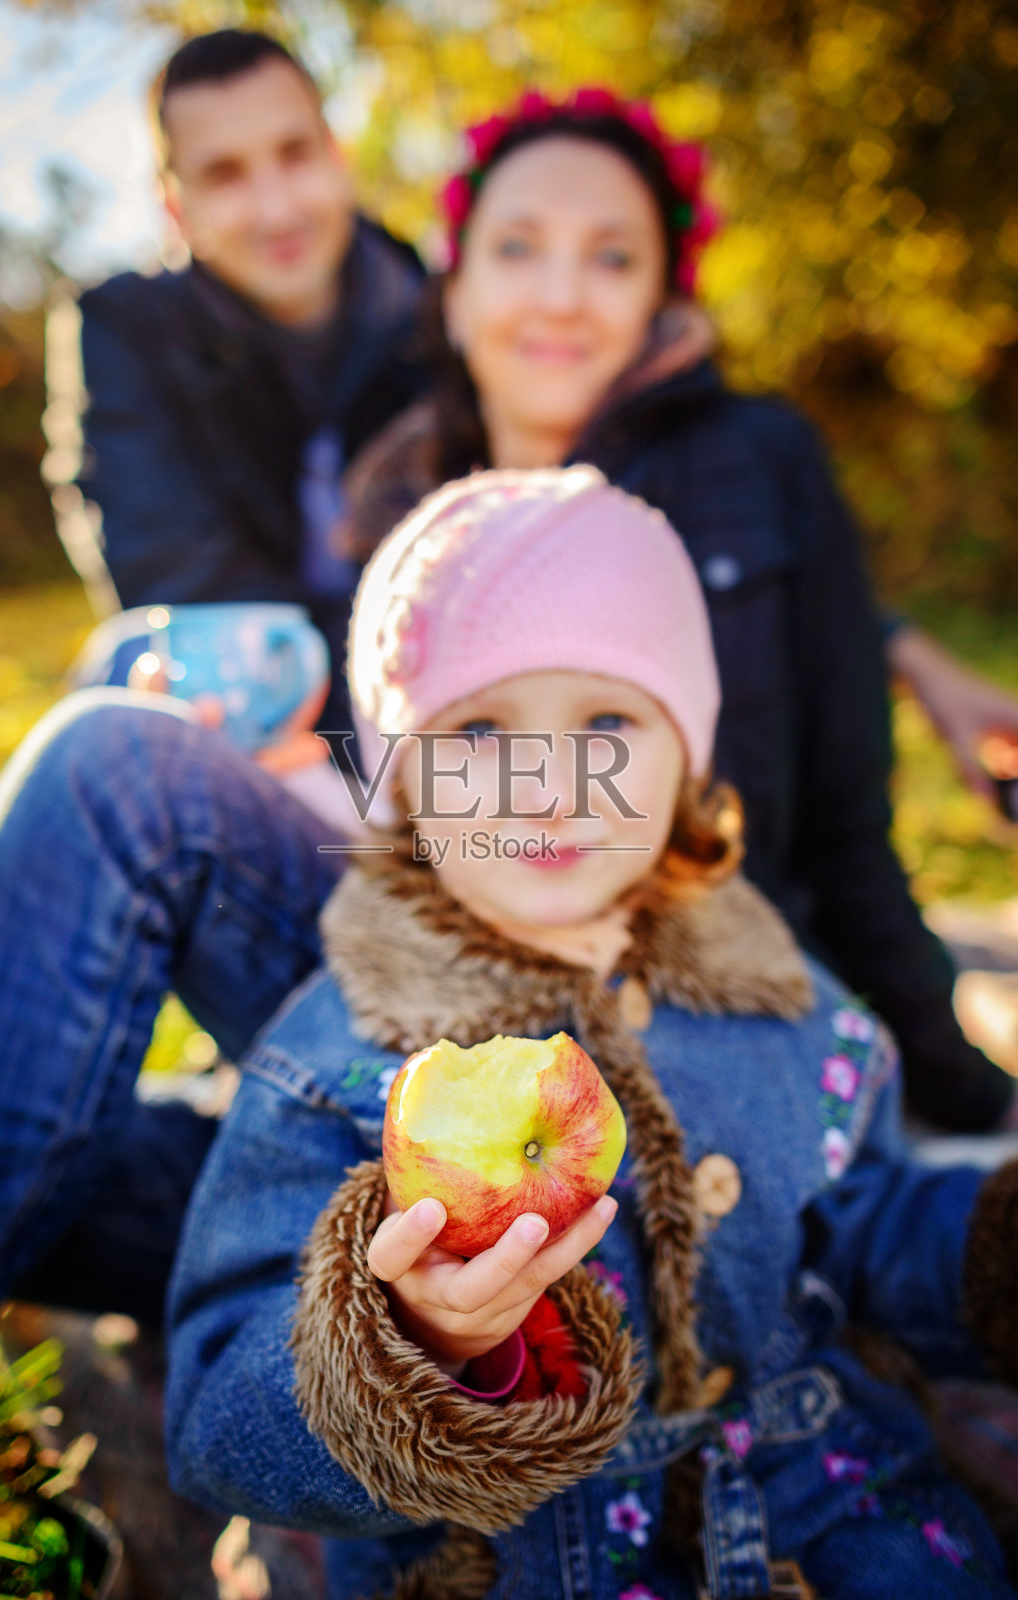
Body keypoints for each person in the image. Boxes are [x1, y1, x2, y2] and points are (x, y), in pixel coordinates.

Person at [164, 467, 1018, 1600]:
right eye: (479, 731)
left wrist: (988, 1251)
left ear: (686, 758)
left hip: (828, 1499)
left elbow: (855, 1224)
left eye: (607, 722)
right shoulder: (342, 1055)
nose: (550, 789)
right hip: (528, 1555)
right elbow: (217, 1421)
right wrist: (417, 1341)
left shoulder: (777, 991)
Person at [337, 85, 1017, 1133]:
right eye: (518, 247)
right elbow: (378, 817)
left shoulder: (758, 461)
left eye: (612, 257)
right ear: (457, 290)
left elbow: (845, 827)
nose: (562, 295)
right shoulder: (395, 508)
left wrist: (960, 1096)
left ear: (662, 294)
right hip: (456, 1040)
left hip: (721, 1028)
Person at [46, 27, 427, 739]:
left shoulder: (450, 316)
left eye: (294, 153)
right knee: (103, 717)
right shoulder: (125, 332)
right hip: (249, 720)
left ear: (337, 156)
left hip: (451, 722)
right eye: (225, 175)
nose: (276, 209)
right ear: (175, 208)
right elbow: (188, 590)